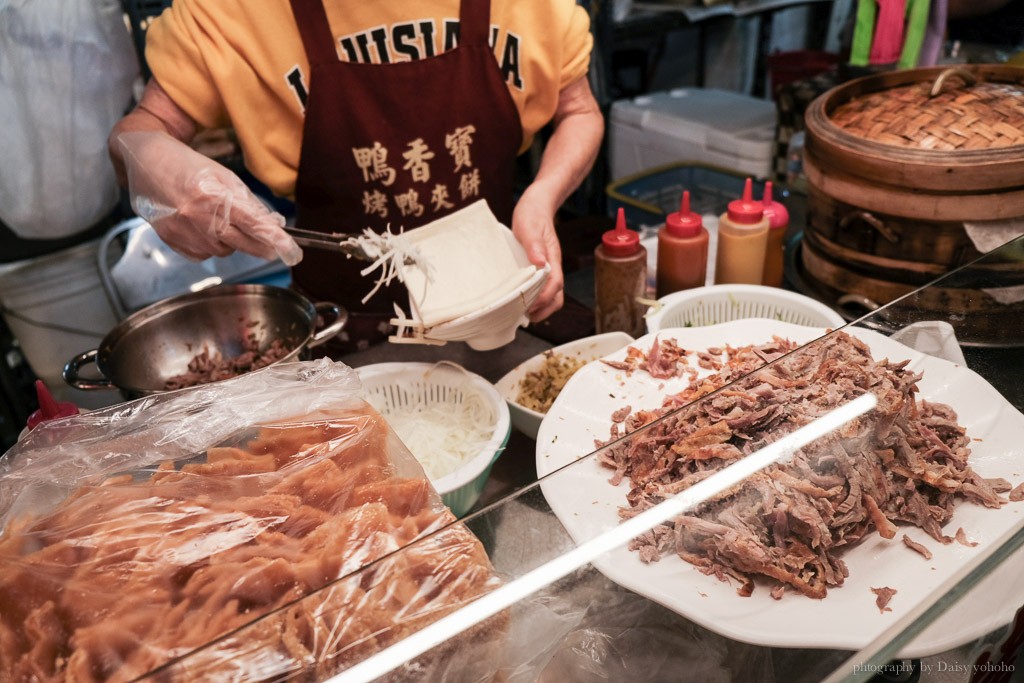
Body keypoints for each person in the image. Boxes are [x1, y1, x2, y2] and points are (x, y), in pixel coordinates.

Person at [108, 0, 605, 351]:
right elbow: (143, 128)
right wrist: (153, 163)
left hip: (500, 300)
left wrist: (541, 197)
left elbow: (579, 110)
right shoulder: (230, 13)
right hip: (344, 326)